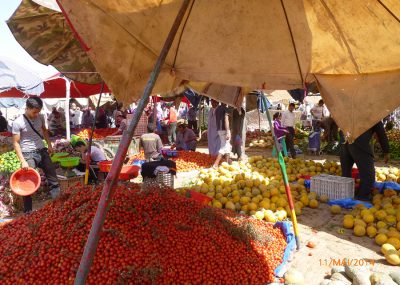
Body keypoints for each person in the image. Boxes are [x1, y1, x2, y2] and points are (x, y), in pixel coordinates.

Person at [12, 97, 60, 213]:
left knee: (53, 180)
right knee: (27, 185)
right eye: (34, 112)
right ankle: (28, 212)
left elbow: (44, 131)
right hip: (28, 154)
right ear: (27, 108)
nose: (36, 114)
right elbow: (16, 143)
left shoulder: (41, 117)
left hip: (42, 151)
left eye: (38, 112)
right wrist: (23, 160)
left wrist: (49, 145)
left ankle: (58, 207)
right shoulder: (18, 122)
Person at [340, 121, 389, 201]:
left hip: (344, 141)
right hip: (359, 142)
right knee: (368, 175)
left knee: (346, 172)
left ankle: (345, 194)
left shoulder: (352, 109)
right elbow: (381, 134)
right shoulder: (374, 114)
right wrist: (386, 151)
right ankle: (362, 197)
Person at [213, 102, 231, 168]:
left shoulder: (217, 109)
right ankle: (216, 163)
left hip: (219, 130)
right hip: (224, 130)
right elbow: (226, 120)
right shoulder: (225, 109)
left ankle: (227, 162)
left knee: (227, 146)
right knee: (224, 147)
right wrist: (228, 131)